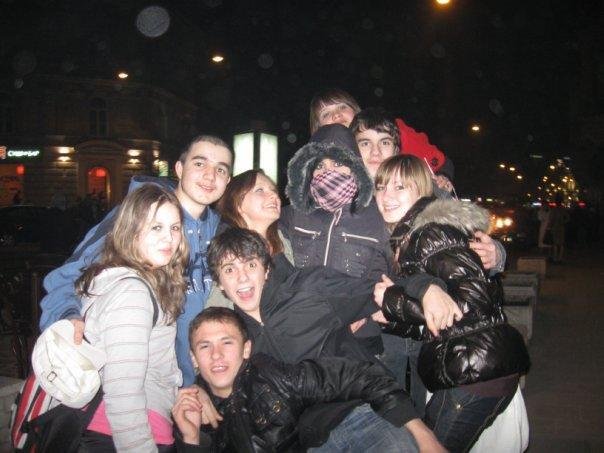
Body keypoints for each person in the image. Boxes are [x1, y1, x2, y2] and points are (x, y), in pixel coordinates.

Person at [202, 227, 451, 451]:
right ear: (219, 283)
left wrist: (426, 288)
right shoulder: (233, 335)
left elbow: (379, 289)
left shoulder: (307, 289)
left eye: (250, 265)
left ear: (266, 270)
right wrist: (198, 392)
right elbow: (220, 381)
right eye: (229, 269)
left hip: (363, 412)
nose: (242, 277)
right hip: (307, 442)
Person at [39, 135, 233, 386]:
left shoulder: (220, 231)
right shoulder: (137, 217)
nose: (210, 175)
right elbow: (67, 276)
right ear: (179, 168)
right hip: (136, 383)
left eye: (220, 169)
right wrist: (68, 316)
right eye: (199, 164)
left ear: (227, 181)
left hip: (193, 381)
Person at [372, 155, 531, 452]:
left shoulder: (430, 232)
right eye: (381, 187)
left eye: (400, 186)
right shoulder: (410, 235)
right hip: (474, 368)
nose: (387, 195)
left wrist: (392, 300)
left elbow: (473, 303)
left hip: (475, 372)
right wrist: (391, 317)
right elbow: (441, 321)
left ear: (422, 189)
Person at [173, 309, 445, 452]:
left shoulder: (270, 377)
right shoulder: (189, 415)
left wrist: (424, 435)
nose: (217, 355)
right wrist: (191, 439)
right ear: (193, 358)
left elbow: (359, 376)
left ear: (246, 349)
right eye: (205, 346)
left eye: (226, 342)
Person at [75, 184, 188, 451]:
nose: (169, 238)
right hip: (128, 432)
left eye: (174, 227)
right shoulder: (132, 292)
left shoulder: (129, 279)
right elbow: (123, 393)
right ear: (131, 230)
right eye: (156, 227)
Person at [206, 169, 293, 309]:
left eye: (274, 190)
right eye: (260, 190)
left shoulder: (283, 241)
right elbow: (218, 308)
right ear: (237, 203)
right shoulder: (227, 249)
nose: (274, 195)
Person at [548, 193, 569, 263]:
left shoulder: (554, 210)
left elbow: (551, 219)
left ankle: (555, 258)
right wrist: (563, 222)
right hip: (561, 227)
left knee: (555, 244)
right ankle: (560, 258)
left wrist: (549, 227)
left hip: (555, 227)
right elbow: (568, 218)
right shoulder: (563, 209)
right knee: (561, 244)